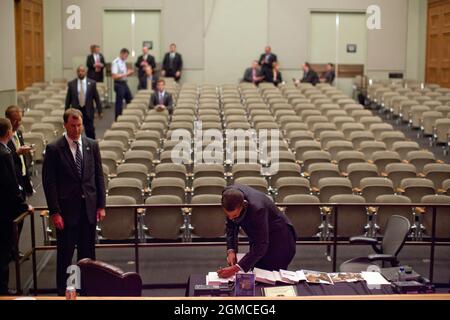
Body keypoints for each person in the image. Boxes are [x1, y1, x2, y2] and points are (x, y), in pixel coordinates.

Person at [42, 109, 106, 296]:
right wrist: (55, 212)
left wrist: (101, 205)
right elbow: (49, 183)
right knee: (65, 255)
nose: (77, 129)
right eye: (73, 125)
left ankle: (86, 289)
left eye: (79, 125)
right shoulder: (54, 148)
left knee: (87, 255)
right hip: (66, 212)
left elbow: (98, 177)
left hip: (88, 210)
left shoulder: (91, 145)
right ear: (65, 125)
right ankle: (63, 292)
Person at [217, 185, 297, 278]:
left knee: (270, 279)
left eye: (235, 216)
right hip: (261, 237)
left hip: (280, 241)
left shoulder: (258, 209)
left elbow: (261, 245)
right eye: (228, 215)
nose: (231, 218)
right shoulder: (228, 194)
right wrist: (231, 250)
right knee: (256, 273)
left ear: (243, 205)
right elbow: (231, 226)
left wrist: (235, 268)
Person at [0, 118, 33, 295]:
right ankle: (3, 290)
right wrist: (23, 205)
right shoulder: (5, 154)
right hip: (5, 211)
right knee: (4, 253)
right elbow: (11, 184)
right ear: (8, 132)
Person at [5, 106, 34, 247]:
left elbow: (22, 161)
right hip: (12, 183)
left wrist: (28, 182)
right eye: (15, 120)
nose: (18, 123)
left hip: (22, 178)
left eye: (19, 119)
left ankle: (14, 247)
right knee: (13, 218)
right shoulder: (3, 138)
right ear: (8, 120)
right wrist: (16, 153)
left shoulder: (19, 134)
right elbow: (5, 159)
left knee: (21, 218)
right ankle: (11, 248)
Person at [65, 66, 103, 140]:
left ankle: (92, 146)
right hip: (76, 111)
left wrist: (100, 111)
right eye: (79, 71)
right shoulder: (71, 84)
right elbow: (68, 99)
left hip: (88, 110)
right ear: (77, 72)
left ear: (85, 72)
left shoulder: (92, 83)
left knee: (90, 131)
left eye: (82, 71)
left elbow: (97, 98)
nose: (80, 73)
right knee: (76, 131)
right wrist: (66, 113)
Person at [112, 48, 134, 120]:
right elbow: (114, 76)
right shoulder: (116, 62)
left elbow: (122, 74)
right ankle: (117, 119)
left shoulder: (123, 62)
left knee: (130, 100)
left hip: (124, 83)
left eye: (127, 56)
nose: (126, 57)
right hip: (119, 84)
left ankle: (131, 117)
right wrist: (127, 73)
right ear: (121, 53)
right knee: (119, 103)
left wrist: (128, 73)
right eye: (126, 55)